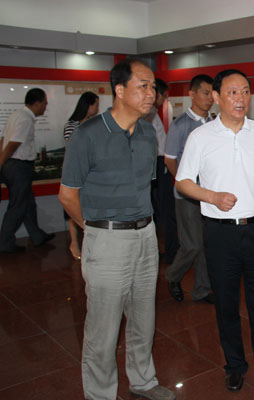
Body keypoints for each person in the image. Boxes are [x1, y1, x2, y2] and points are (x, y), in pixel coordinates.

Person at [175, 69, 254, 397]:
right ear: (216, 97)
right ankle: (234, 366)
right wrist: (212, 196)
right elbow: (183, 181)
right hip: (220, 234)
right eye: (232, 92)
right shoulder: (200, 137)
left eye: (245, 91)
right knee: (226, 305)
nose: (240, 98)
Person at [59, 58, 175, 400]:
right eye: (143, 86)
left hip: (145, 236)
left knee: (143, 317)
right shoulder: (88, 134)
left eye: (153, 87)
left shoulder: (147, 133)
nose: (151, 94)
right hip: (106, 238)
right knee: (103, 328)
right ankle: (100, 394)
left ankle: (143, 381)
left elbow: (144, 187)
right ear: (120, 90)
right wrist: (94, 229)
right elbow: (67, 195)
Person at [163, 74, 215, 304]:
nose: (210, 98)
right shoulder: (180, 125)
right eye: (205, 93)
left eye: (212, 93)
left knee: (205, 244)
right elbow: (169, 160)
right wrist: (185, 185)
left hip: (209, 195)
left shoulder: (214, 123)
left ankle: (202, 290)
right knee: (192, 244)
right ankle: (172, 276)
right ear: (192, 94)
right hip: (187, 196)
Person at [0, 88, 54, 253]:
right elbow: (13, 144)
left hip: (14, 166)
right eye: (45, 103)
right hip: (18, 167)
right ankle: (5, 243)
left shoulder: (17, 115)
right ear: (37, 103)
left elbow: (3, 140)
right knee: (18, 206)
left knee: (28, 203)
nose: (45, 107)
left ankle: (37, 235)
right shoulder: (24, 118)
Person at [145, 78, 179, 265]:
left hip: (158, 163)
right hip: (158, 163)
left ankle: (165, 250)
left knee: (160, 211)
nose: (163, 99)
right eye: (163, 96)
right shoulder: (149, 114)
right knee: (166, 210)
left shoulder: (151, 113)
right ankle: (171, 252)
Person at [63, 91, 100, 259]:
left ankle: (88, 241)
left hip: (92, 173)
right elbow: (73, 147)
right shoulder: (72, 125)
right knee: (74, 206)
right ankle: (74, 243)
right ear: (89, 105)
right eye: (96, 105)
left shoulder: (93, 124)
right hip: (77, 171)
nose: (97, 109)